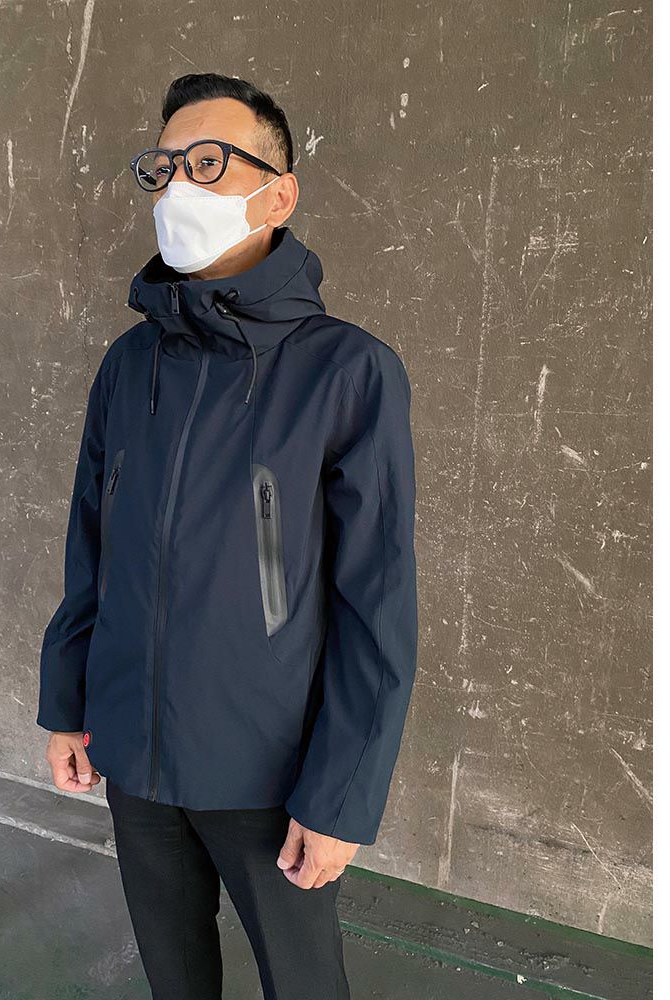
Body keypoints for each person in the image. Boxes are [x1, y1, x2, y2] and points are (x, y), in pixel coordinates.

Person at [37, 72, 418, 1000]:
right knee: (174, 978)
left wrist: (341, 796)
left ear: (279, 196)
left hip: (268, 771)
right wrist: (66, 702)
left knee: (303, 984)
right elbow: (91, 545)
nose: (179, 186)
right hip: (132, 751)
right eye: (164, 167)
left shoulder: (347, 371)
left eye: (208, 163)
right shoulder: (129, 365)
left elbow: (376, 601)